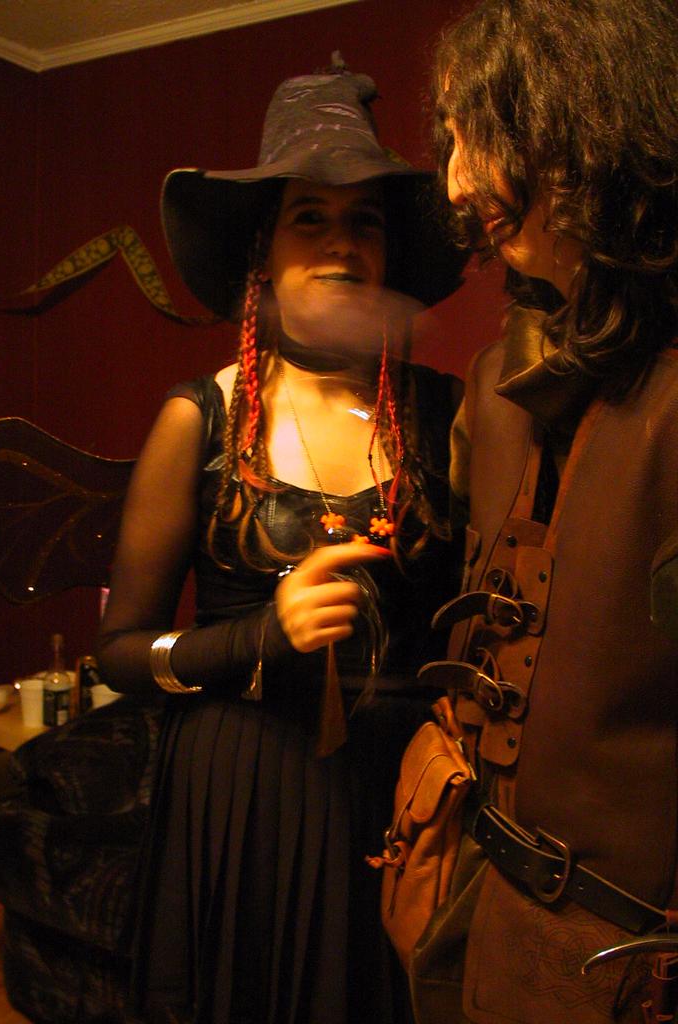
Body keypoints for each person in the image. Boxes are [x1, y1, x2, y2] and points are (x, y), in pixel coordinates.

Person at [96, 58, 467, 1024]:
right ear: (264, 251)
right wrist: (265, 634)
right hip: (245, 790)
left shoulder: (448, 417)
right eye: (311, 216)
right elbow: (120, 654)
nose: (341, 241)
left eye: (364, 220)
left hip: (406, 793)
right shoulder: (202, 420)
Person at [410, 1, 678, 1022]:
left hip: (631, 964)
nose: (456, 181)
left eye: (479, 132)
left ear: (591, 119)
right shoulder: (497, 385)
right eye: (450, 142)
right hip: (486, 913)